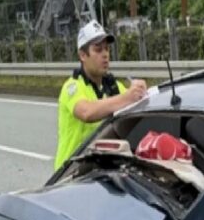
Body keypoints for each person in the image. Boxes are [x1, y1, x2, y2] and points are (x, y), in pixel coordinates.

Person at [55, 20, 148, 169]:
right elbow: (86, 112)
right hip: (69, 172)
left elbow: (134, 104)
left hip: (98, 168)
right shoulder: (72, 87)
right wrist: (128, 97)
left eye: (106, 49)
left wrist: (141, 93)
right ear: (83, 55)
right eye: (98, 50)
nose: (105, 55)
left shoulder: (113, 86)